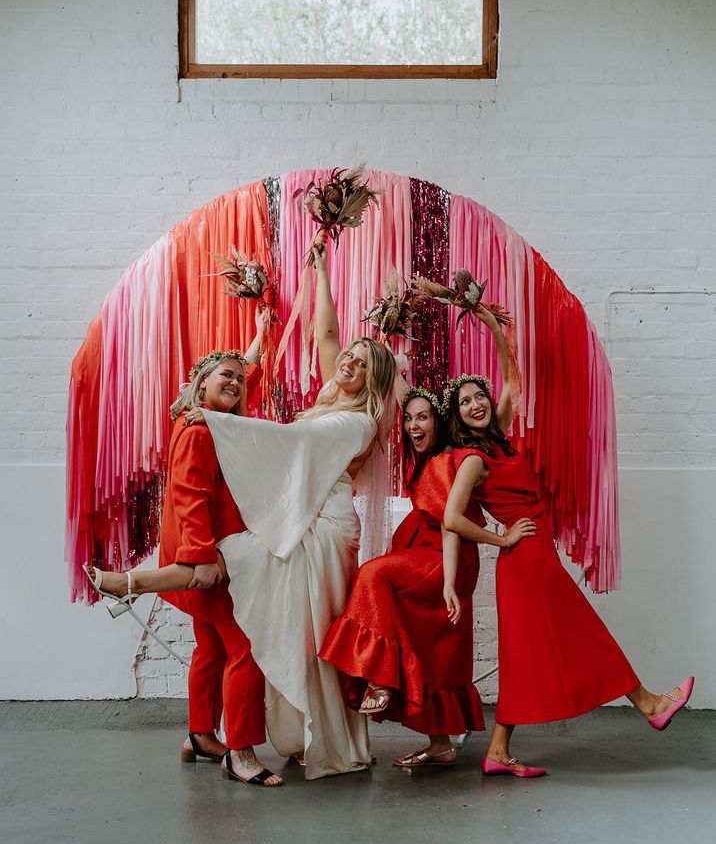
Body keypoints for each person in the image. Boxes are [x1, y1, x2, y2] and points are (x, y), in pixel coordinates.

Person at [91, 237, 396, 781]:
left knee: (254, 595)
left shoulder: (357, 420)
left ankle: (136, 584)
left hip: (323, 525)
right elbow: (324, 334)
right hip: (296, 515)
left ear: (374, 381)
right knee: (239, 623)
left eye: (359, 363)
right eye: (346, 356)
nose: (346, 362)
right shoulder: (329, 395)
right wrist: (319, 272)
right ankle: (214, 736)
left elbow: (292, 446)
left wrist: (219, 419)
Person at [441, 305, 695, 778]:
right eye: (465, 403)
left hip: (536, 555)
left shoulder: (500, 440)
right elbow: (452, 517)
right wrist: (501, 536)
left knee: (526, 655)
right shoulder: (473, 457)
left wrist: (494, 327)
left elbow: (513, 380)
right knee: (584, 634)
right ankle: (650, 703)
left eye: (479, 396)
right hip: (524, 559)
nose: (476, 405)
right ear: (457, 417)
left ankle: (498, 751)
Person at [86, 322, 285, 788]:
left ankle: (199, 734)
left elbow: (244, 375)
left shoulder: (213, 420)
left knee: (211, 649)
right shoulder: (199, 432)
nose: (235, 383)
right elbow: (189, 495)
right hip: (209, 560)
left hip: (203, 554)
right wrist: (201, 558)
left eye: (239, 378)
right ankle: (240, 752)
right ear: (201, 385)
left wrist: (256, 337)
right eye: (225, 377)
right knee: (246, 652)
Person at [319, 385, 536, 768]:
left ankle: (381, 678)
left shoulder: (444, 460)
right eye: (409, 419)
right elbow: (403, 389)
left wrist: (456, 577)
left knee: (373, 575)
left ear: (440, 424)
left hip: (440, 557)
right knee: (434, 649)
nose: (414, 425)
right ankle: (440, 745)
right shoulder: (424, 460)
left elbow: (451, 526)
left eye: (424, 418)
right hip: (428, 553)